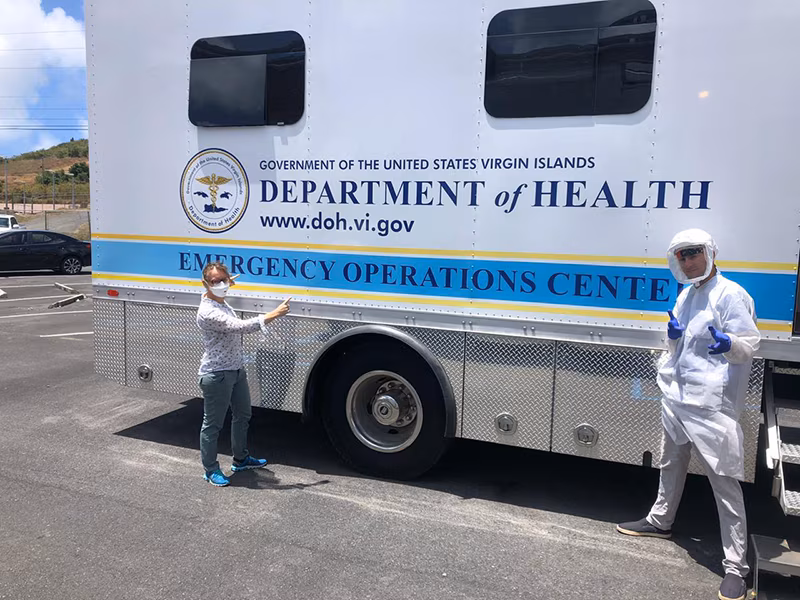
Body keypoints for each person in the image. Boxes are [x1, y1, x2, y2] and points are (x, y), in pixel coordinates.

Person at [616, 229, 760, 600]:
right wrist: (674, 337)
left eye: (693, 253)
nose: (687, 261)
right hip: (677, 398)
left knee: (724, 484)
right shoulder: (686, 295)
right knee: (670, 462)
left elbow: (749, 345)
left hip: (712, 404)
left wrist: (731, 345)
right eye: (680, 255)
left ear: (711, 253)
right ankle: (660, 520)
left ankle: (735, 569)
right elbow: (676, 344)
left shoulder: (731, 295)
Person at [196, 261, 291, 487]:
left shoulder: (213, 299)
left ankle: (240, 459)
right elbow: (239, 327)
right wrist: (274, 314)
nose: (220, 284)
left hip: (236, 370)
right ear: (205, 284)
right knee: (213, 425)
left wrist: (224, 284)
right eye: (214, 281)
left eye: (223, 280)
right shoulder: (208, 311)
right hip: (217, 374)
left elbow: (212, 293)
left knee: (243, 415)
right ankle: (210, 469)